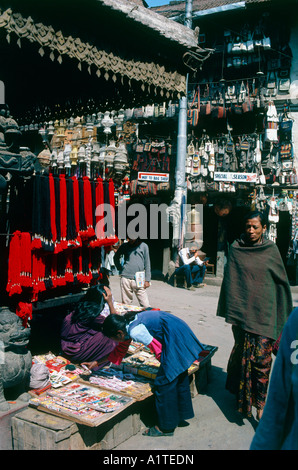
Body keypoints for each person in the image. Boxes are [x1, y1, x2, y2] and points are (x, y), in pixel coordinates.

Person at [216, 210, 293, 421]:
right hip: (242, 315)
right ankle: (244, 400)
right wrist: (233, 309)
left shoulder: (271, 250)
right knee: (243, 358)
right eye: (248, 226)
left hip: (265, 315)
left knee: (261, 360)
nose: (250, 230)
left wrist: (284, 313)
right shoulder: (236, 248)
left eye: (255, 227)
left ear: (264, 228)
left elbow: (281, 283)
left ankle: (261, 404)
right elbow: (231, 283)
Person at [82, 309, 206, 437]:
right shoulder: (126, 325)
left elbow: (158, 350)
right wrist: (97, 362)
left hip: (175, 335)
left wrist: (168, 367)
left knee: (164, 383)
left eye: (114, 339)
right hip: (176, 329)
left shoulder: (135, 331)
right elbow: (119, 351)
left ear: (119, 333)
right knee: (179, 374)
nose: (116, 341)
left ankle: (166, 427)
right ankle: (180, 414)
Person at [250, 307, 298, 450]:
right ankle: (259, 407)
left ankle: (259, 407)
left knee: (262, 366)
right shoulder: (296, 322)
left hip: (266, 329)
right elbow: (278, 402)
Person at [60, 284, 117, 367]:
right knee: (111, 335)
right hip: (75, 353)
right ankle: (98, 364)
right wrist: (110, 302)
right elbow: (114, 324)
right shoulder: (94, 316)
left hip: (66, 349)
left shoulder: (80, 308)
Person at [114, 237, 151, 308]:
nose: (129, 240)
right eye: (128, 238)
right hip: (125, 278)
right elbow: (116, 257)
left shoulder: (144, 246)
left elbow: (147, 263)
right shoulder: (124, 246)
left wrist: (147, 280)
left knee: (145, 305)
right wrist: (120, 268)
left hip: (139, 279)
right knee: (126, 305)